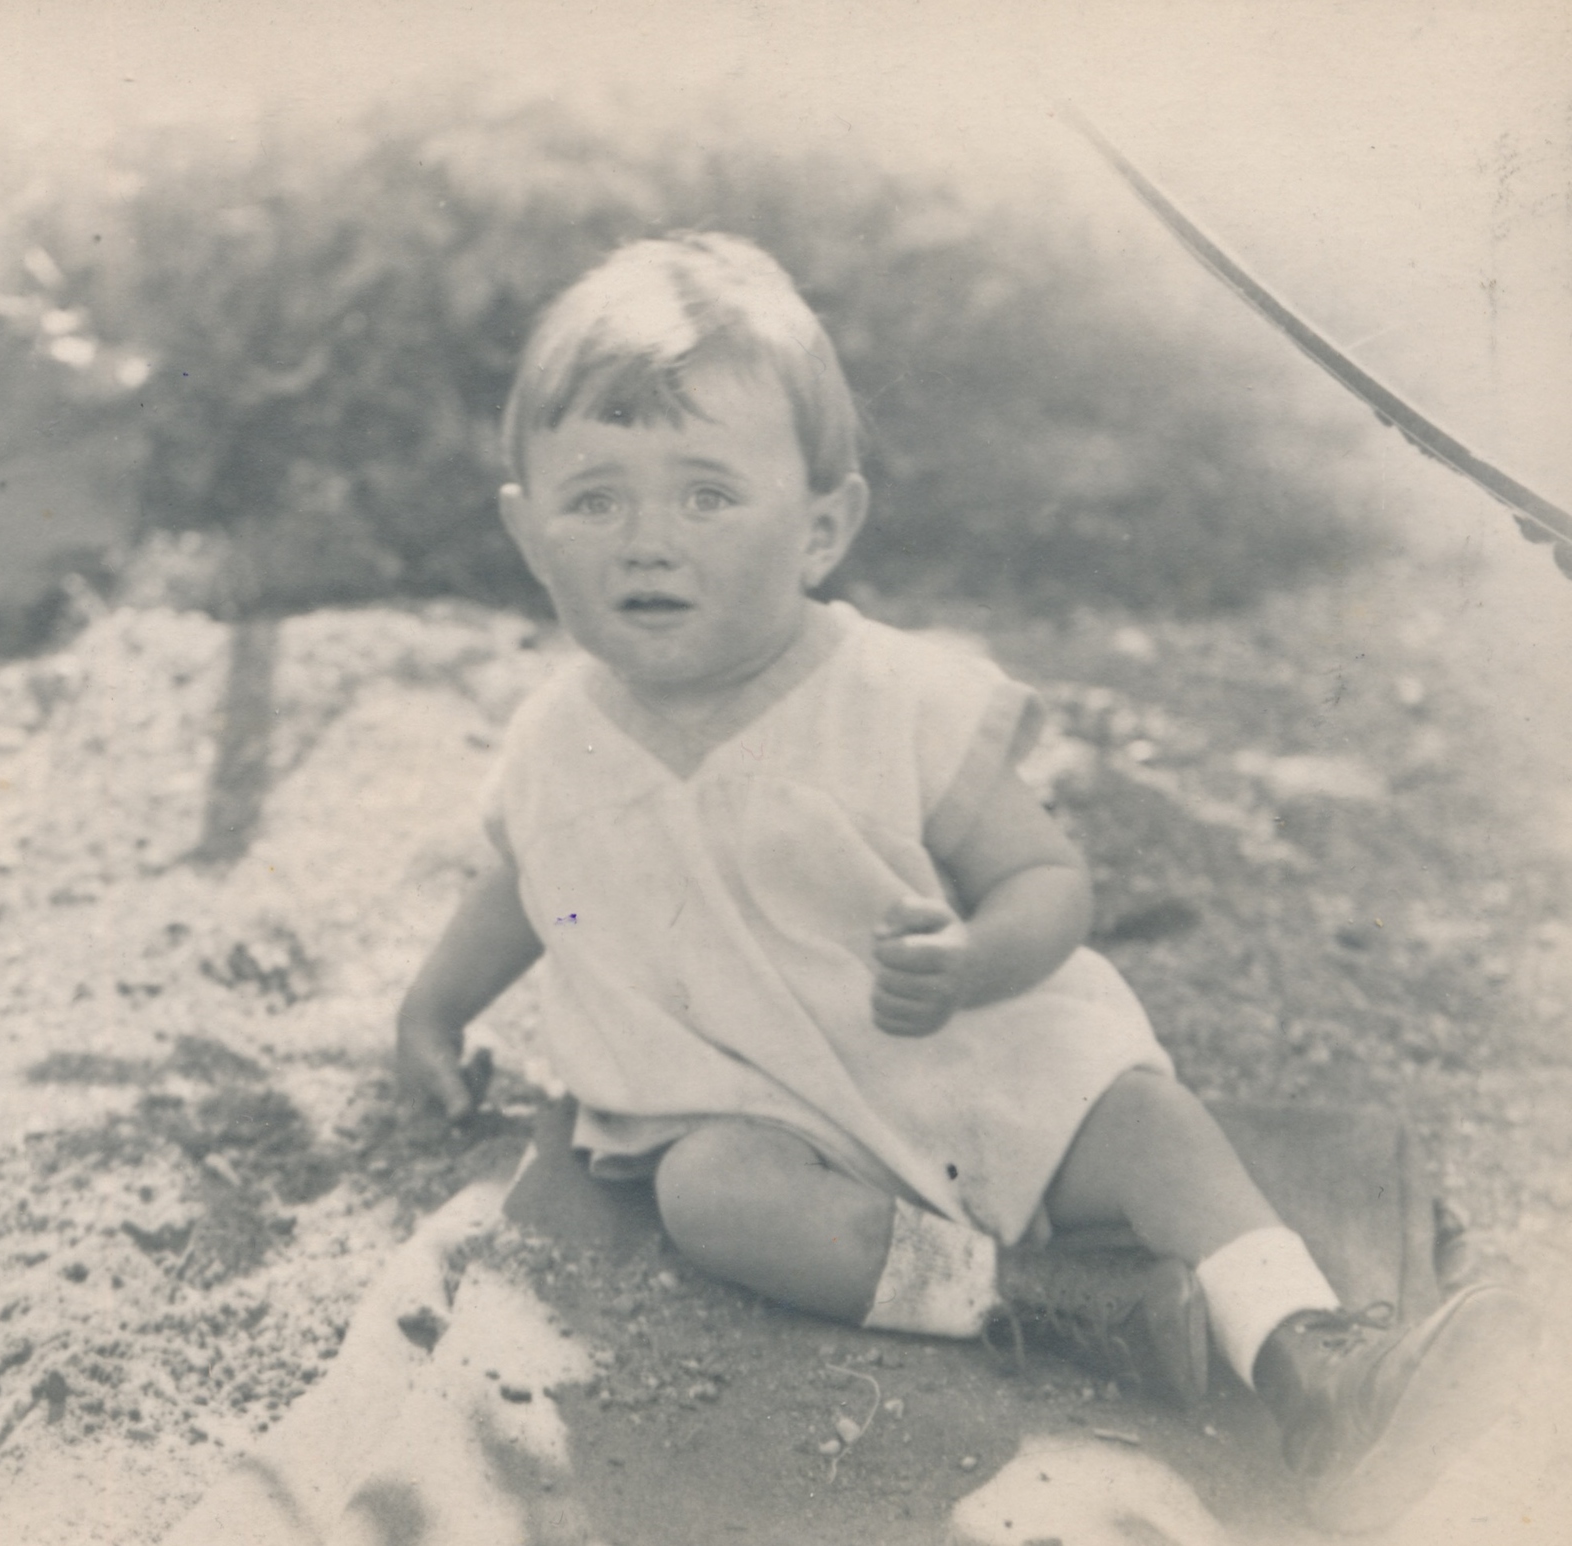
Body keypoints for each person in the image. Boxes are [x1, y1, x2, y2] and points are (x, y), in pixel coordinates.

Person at [394, 232, 1537, 1534]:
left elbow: (1046, 876)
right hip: (767, 1110)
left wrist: (981, 956)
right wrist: (433, 1011)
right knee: (706, 1194)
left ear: (822, 528)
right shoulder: (559, 738)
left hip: (970, 1070)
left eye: (707, 496)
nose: (647, 542)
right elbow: (527, 879)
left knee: (1149, 1124)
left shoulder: (894, 697)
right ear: (527, 532)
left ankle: (1308, 1350)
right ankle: (1040, 1302)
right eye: (595, 501)